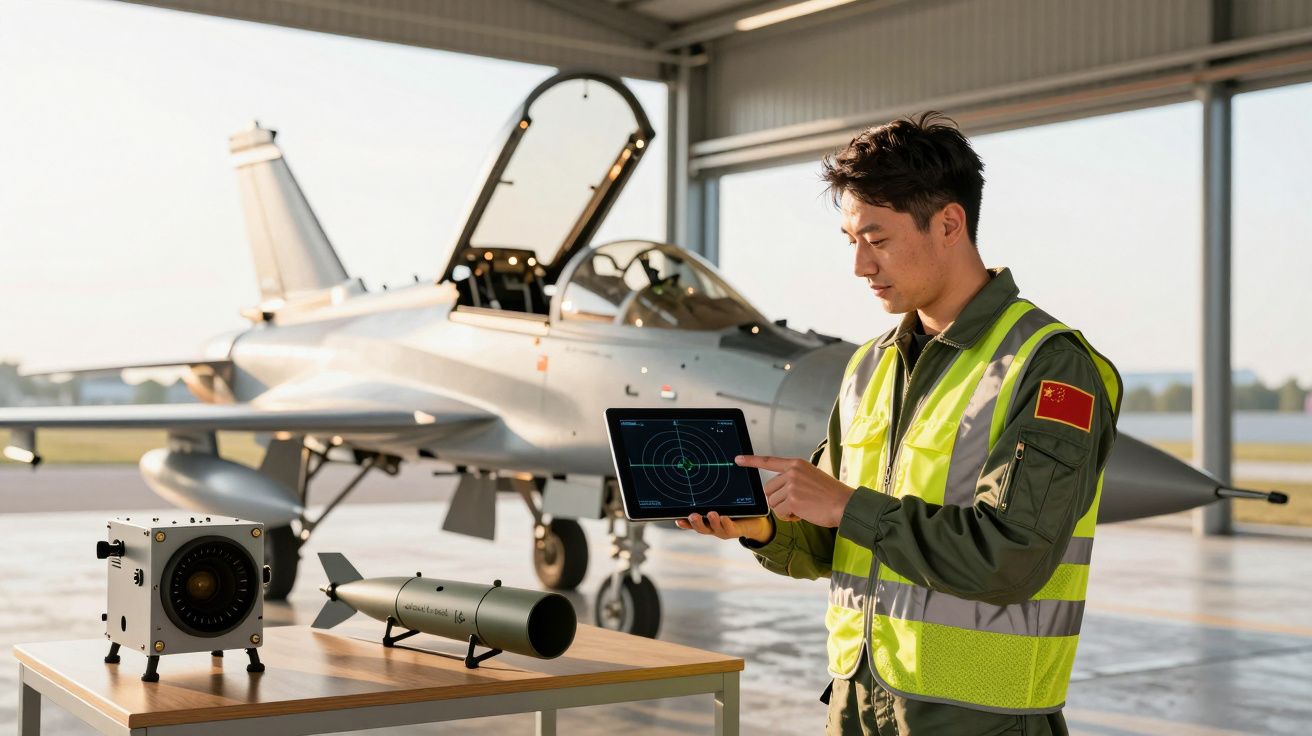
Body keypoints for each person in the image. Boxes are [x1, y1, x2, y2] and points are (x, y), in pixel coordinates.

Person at [677, 112, 1122, 736]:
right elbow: (836, 540)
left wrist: (848, 505)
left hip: (979, 721)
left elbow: (1013, 558)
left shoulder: (1049, 366)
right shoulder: (868, 367)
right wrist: (761, 527)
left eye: (877, 239)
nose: (860, 265)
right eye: (850, 240)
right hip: (857, 710)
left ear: (949, 224)